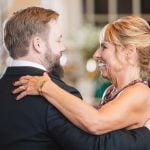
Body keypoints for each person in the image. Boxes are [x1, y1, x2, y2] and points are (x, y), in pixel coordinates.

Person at [1, 6, 150, 150]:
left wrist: (45, 86)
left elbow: (97, 123)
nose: (96, 54)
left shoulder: (140, 93)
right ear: (38, 44)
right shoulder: (111, 91)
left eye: (104, 47)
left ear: (129, 52)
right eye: (58, 40)